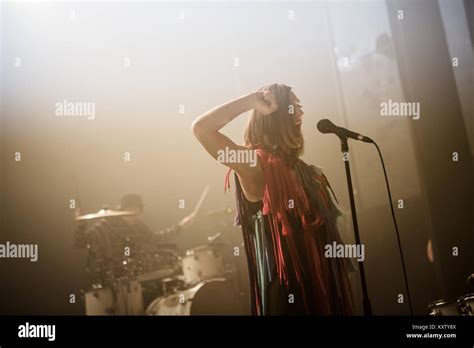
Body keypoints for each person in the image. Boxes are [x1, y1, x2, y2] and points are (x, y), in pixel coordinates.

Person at [192, 83, 356, 315]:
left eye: (300, 106)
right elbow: (202, 129)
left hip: (324, 291)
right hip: (289, 297)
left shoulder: (309, 173)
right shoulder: (255, 166)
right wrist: (251, 100)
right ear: (272, 114)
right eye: (293, 106)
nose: (300, 113)